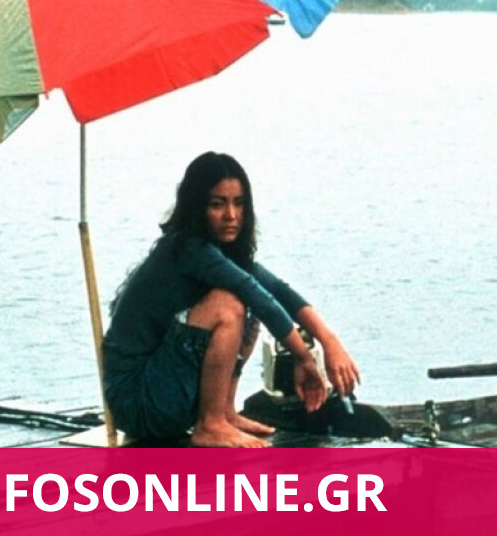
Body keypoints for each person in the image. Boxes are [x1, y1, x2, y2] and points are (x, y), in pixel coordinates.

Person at [102, 152, 359, 447]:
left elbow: (279, 291)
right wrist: (304, 358)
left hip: (163, 389)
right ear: (197, 207)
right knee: (229, 305)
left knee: (247, 306)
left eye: (239, 203)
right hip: (137, 401)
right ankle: (210, 424)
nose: (231, 215)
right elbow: (259, 297)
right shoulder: (188, 249)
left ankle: (224, 411)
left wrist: (330, 342)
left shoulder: (222, 253)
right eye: (217, 204)